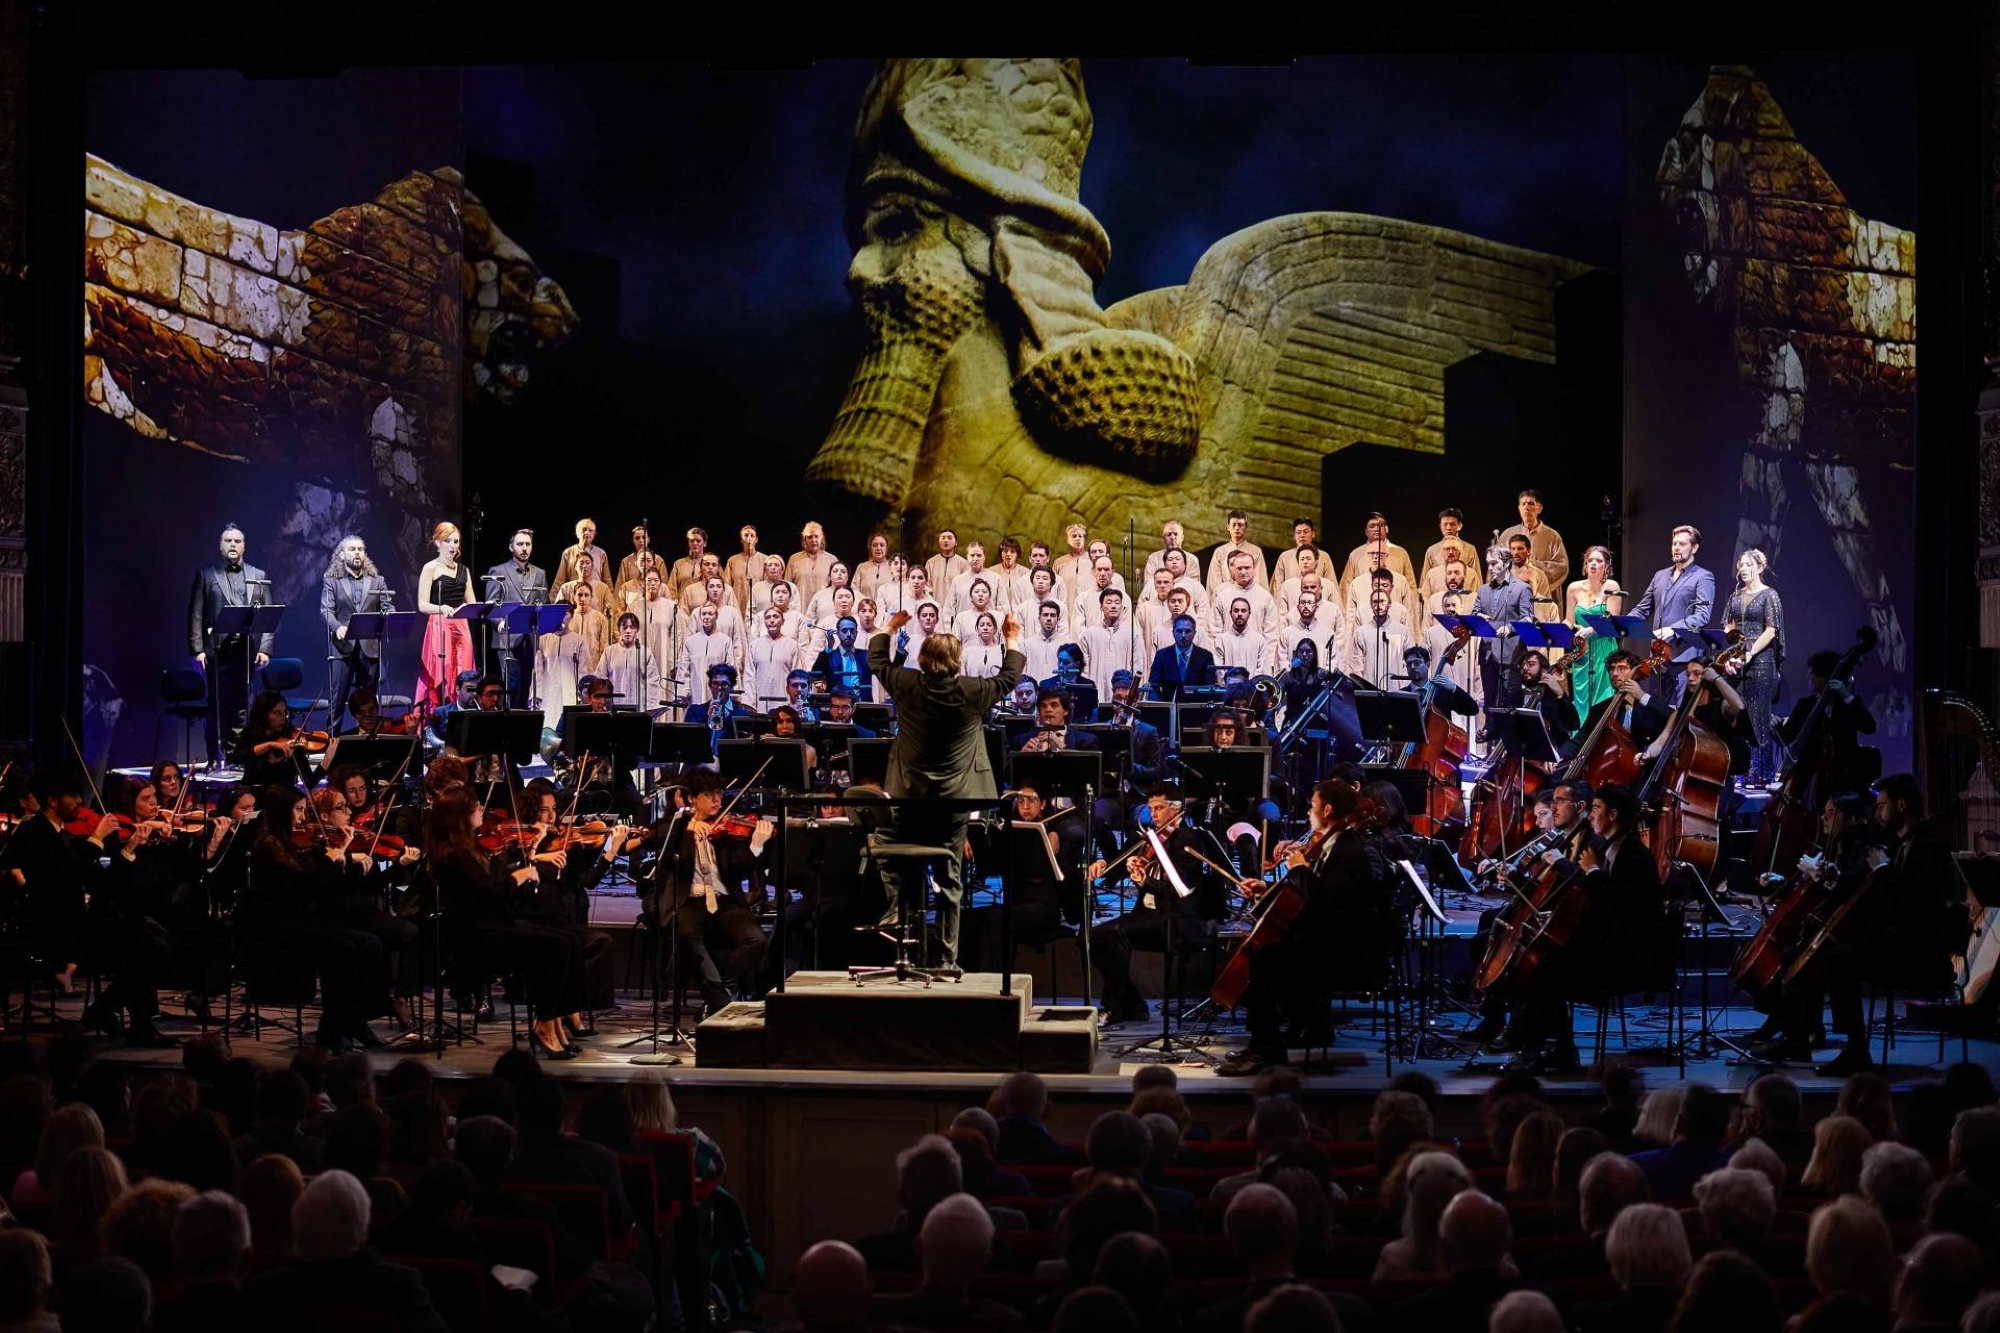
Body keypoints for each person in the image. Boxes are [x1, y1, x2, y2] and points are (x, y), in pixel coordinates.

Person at [867, 609, 1026, 971]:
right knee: (948, 879)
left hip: (910, 796)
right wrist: (1011, 636)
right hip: (955, 799)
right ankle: (946, 960)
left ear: (923, 659)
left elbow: (876, 659)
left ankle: (902, 928)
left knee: (897, 857)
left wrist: (890, 627)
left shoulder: (906, 684)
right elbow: (1010, 675)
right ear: (957, 661)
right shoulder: (972, 691)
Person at [1217, 779, 1395, 1076]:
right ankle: (1308, 1025)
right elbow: (1307, 895)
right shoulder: (1332, 843)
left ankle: (1267, 1050)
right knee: (1266, 953)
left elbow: (1321, 897)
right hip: (1326, 940)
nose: (1308, 811)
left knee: (1264, 960)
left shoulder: (1351, 851)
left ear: (1326, 809)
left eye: (1312, 805)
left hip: (1346, 953)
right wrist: (1265, 888)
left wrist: (1299, 867)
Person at [1503, 784, 1673, 1073]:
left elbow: (1618, 907)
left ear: (1613, 814)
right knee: (1546, 960)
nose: (1591, 815)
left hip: (1632, 954)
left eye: (1595, 809)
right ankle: (1553, 1048)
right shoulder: (1606, 848)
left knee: (1549, 966)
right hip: (1611, 944)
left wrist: (1592, 872)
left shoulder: (1634, 854)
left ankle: (1535, 1048)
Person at [425, 787, 583, 1060]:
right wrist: (521, 875)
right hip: (476, 937)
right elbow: (493, 890)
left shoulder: (471, 847)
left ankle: (552, 1022)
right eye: (475, 808)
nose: (481, 812)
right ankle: (545, 1024)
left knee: (568, 939)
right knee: (557, 946)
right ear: (460, 816)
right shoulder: (454, 855)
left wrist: (532, 859)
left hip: (494, 925)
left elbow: (500, 880)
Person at [1087, 783, 1222, 1027]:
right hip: (1148, 915)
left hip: (1175, 919)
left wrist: (1146, 879)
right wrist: (1104, 863)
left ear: (1176, 809)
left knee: (1112, 935)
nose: (1154, 815)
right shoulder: (1150, 838)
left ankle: (1116, 1007)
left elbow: (1179, 891)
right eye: (1151, 809)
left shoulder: (1187, 841)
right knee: (1090, 937)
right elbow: (1117, 864)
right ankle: (1133, 1003)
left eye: (1159, 808)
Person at [187, 522, 274, 766]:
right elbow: (195, 614)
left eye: (237, 541)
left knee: (242, 706)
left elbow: (267, 616)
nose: (233, 545)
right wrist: (197, 650)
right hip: (217, 651)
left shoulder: (258, 576)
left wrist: (265, 648)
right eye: (228, 541)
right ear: (220, 546)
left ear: (244, 546)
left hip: (246, 649)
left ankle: (237, 756)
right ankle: (215, 756)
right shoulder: (207, 575)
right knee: (217, 705)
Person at [1722, 548, 1787, 786]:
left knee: (1759, 718)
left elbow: (1771, 630)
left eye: (1748, 565)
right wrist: (1731, 654)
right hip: (1739, 660)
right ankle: (1740, 771)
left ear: (1759, 568)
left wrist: (1749, 652)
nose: (1743, 569)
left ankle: (1759, 775)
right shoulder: (1734, 597)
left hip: (1761, 661)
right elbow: (1729, 627)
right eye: (1740, 565)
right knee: (1738, 715)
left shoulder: (1770, 595)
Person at [1629, 524, 1715, 702]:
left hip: (1683, 657)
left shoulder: (1703, 576)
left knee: (1677, 714)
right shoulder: (1660, 575)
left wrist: (1673, 629)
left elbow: (1702, 614)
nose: (1676, 548)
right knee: (1656, 709)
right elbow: (1643, 608)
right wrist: (1620, 622)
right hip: (1657, 658)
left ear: (1694, 548)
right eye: (1674, 543)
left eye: (1682, 544)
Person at [318, 535, 390, 736]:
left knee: (368, 701)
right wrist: (337, 627)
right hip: (343, 647)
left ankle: (370, 741)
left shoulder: (378, 581)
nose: (357, 553)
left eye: (360, 549)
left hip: (369, 647)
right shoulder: (332, 581)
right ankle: (332, 744)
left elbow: (388, 606)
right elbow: (325, 611)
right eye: (352, 549)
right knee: (338, 700)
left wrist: (387, 616)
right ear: (341, 554)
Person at [414, 521, 476, 711]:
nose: (453, 546)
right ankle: (437, 718)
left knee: (463, 670)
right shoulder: (430, 568)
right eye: (448, 541)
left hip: (461, 625)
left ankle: (462, 715)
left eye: (456, 541)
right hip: (439, 625)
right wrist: (442, 608)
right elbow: (422, 605)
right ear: (438, 543)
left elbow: (472, 602)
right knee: (443, 671)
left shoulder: (464, 570)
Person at [485, 528, 549, 709]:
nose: (524, 548)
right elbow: (491, 604)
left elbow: (543, 602)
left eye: (528, 544)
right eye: (520, 544)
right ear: (511, 547)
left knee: (529, 686)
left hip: (530, 638)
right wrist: (499, 623)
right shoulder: (498, 571)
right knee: (512, 686)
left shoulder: (540, 573)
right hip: (508, 639)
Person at [1473, 543, 1536, 718]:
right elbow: (1475, 612)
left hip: (1511, 654)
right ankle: (1491, 740)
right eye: (1488, 564)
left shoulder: (1522, 588)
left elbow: (1528, 618)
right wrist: (1478, 617)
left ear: (1506, 563)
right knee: (1490, 703)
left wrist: (1510, 627)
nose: (1490, 568)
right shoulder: (1483, 590)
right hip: (1487, 654)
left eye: (1494, 563)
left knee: (1510, 702)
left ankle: (1511, 742)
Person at [1564, 544, 1625, 723]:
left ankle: (1599, 742)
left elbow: (1612, 619)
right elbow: (1569, 620)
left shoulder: (1611, 586)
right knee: (1581, 696)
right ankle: (1580, 742)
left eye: (1599, 561)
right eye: (1590, 560)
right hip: (1581, 650)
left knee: (1602, 698)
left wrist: (1590, 630)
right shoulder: (1573, 588)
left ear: (1606, 566)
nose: (1593, 564)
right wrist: (1554, 630)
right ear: (1585, 564)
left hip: (1603, 647)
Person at [1501, 489, 1570, 590]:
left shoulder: (1552, 536)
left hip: (1543, 595)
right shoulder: (1507, 535)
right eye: (1523, 504)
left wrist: (1532, 564)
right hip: (1512, 594)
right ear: (1519, 508)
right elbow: (1496, 565)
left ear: (1539, 508)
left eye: (1531, 504)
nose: (1527, 508)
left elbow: (1561, 567)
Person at [1148, 615, 1216, 700]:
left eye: (1187, 631)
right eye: (1179, 631)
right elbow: (1154, 685)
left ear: (1194, 633)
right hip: (1167, 708)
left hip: (1196, 709)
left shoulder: (1206, 657)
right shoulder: (1161, 656)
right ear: (1173, 632)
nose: (1183, 635)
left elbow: (1209, 688)